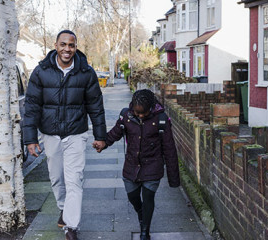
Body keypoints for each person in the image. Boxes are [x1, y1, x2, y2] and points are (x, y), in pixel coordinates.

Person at [23, 30, 106, 240]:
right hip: (50, 135)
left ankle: (71, 226)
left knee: (74, 180)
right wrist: (30, 139)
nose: (67, 49)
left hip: (76, 134)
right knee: (57, 178)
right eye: (63, 45)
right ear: (56, 45)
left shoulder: (86, 72)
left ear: (76, 47)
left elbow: (95, 106)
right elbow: (32, 106)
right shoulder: (41, 71)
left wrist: (100, 135)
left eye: (71, 45)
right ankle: (64, 207)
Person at [94, 89, 180, 240]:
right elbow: (115, 133)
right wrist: (103, 143)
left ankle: (144, 231)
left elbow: (169, 148)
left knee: (148, 198)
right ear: (132, 106)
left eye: (143, 113)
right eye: (137, 112)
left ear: (151, 108)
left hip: (153, 166)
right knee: (133, 196)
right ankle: (142, 213)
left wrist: (174, 179)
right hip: (131, 166)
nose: (140, 115)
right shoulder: (126, 116)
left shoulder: (161, 119)